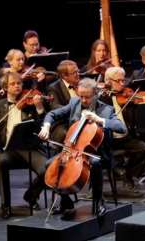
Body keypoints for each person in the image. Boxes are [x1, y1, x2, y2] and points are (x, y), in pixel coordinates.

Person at [38, 78, 127, 218]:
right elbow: (52, 114)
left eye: (87, 97)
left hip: (97, 153)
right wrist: (46, 126)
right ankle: (65, 201)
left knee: (96, 163)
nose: (83, 100)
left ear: (96, 94)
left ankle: (98, 202)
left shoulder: (106, 110)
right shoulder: (74, 103)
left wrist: (99, 120)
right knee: (50, 164)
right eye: (81, 96)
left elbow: (122, 128)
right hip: (73, 150)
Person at [0, 72, 47, 219]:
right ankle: (6, 206)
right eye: (13, 84)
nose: (17, 86)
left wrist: (39, 107)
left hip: (28, 149)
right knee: (1, 162)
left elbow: (41, 123)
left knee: (46, 169)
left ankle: (31, 195)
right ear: (5, 87)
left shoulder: (29, 104)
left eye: (19, 83)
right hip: (6, 150)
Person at [100, 67, 145, 196]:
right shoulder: (101, 98)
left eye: (123, 80)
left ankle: (127, 173)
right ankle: (121, 174)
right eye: (118, 81)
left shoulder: (127, 97)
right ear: (108, 81)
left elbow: (137, 118)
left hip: (126, 136)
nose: (123, 84)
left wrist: (144, 105)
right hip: (109, 139)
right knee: (110, 156)